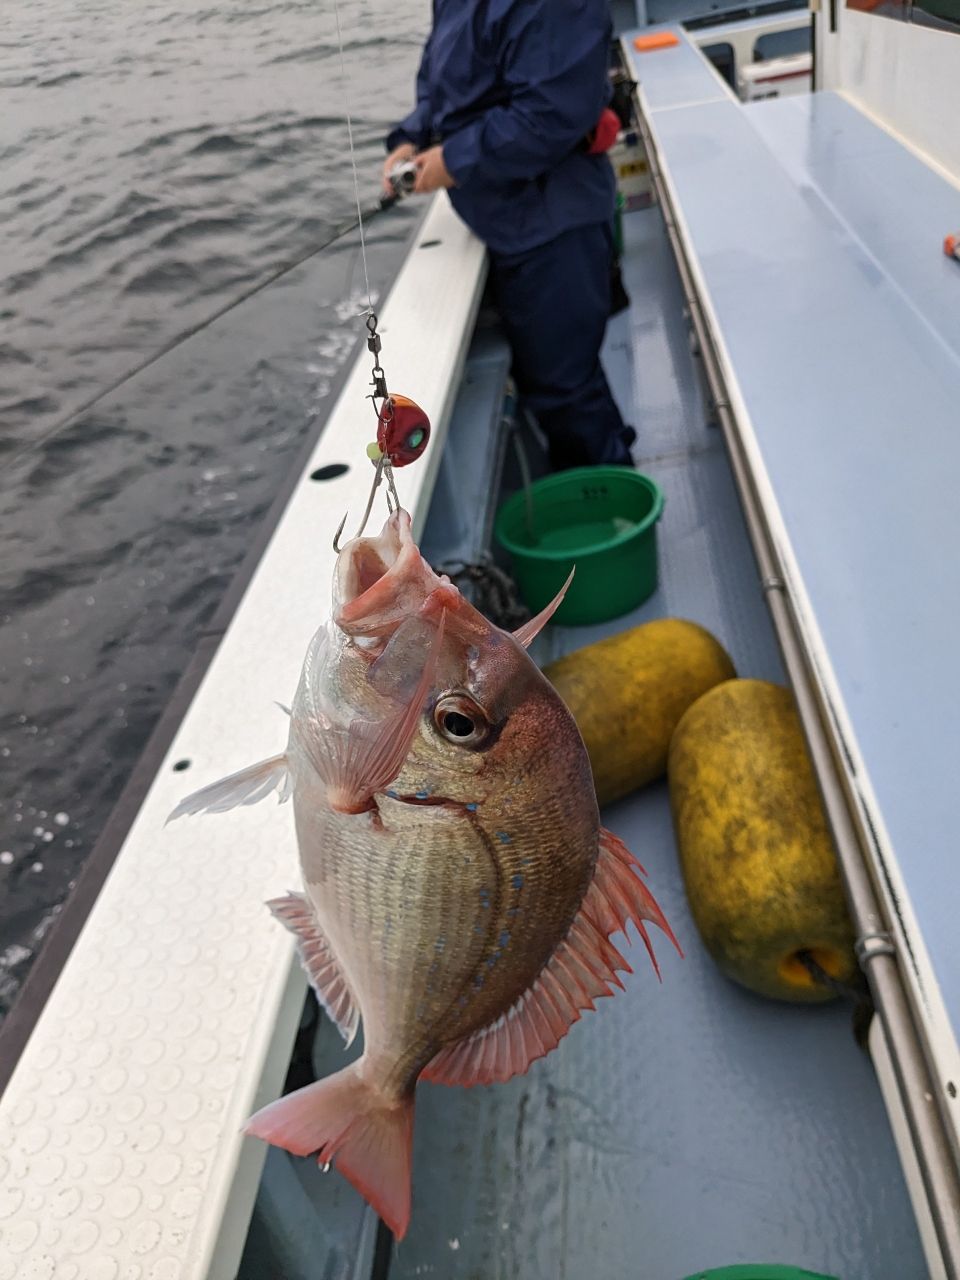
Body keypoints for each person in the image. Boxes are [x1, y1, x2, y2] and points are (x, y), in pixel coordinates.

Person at [382, 0, 635, 472]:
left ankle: (608, 491)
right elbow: (440, 83)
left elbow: (552, 114)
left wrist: (453, 162)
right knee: (549, 376)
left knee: (565, 387)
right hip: (501, 217)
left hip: (552, 222)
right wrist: (409, 139)